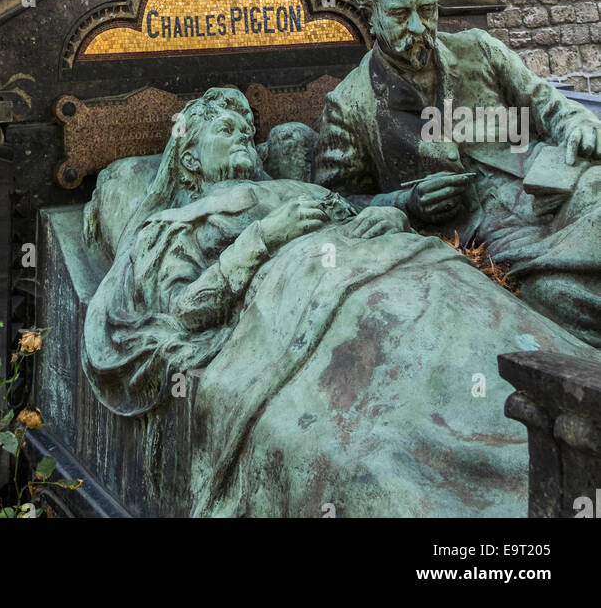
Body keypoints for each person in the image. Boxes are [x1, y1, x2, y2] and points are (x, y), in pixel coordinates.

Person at [83, 88, 593, 517]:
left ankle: (570, 427)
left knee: (489, 340)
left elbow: (362, 210)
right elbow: (181, 312)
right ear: (190, 157)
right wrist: (260, 239)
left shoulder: (292, 187)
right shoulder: (174, 225)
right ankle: (519, 476)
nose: (243, 135)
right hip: (327, 305)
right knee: (421, 398)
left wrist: (392, 219)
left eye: (246, 129)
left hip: (415, 269)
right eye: (226, 130)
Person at [315, 0, 601, 346]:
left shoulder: (478, 49)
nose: (417, 26)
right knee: (559, 293)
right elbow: (335, 202)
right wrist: (406, 202)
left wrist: (578, 124)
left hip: (549, 182)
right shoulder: (348, 103)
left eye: (426, 10)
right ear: (372, 19)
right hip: (483, 230)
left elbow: (549, 104)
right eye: (400, 15)